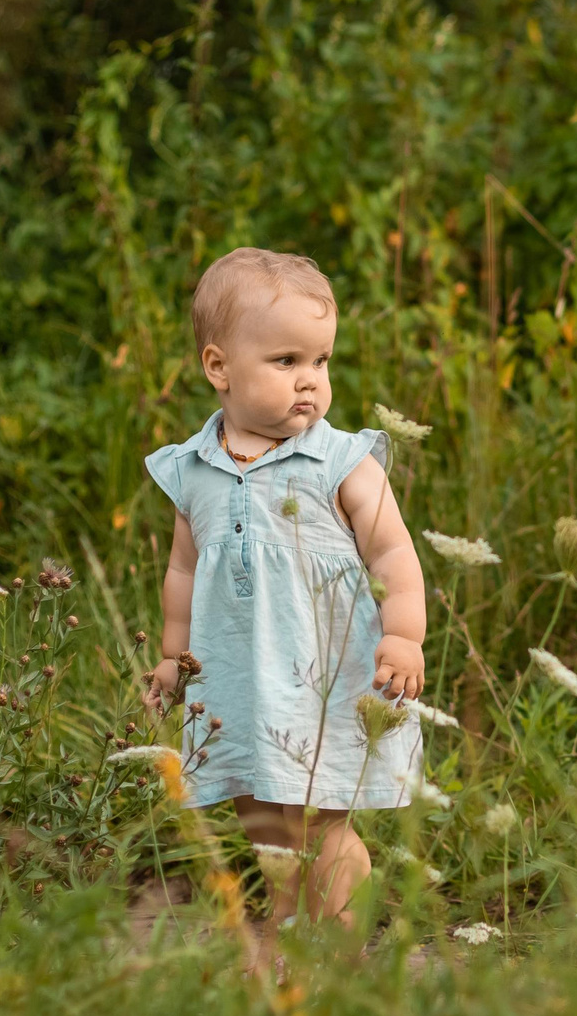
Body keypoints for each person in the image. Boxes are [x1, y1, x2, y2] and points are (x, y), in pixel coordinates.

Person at [140, 247, 427, 932]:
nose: (310, 380)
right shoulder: (193, 471)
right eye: (286, 360)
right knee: (265, 824)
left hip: (324, 682)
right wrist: (174, 657)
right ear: (219, 367)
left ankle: (341, 942)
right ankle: (292, 931)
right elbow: (183, 571)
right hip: (238, 686)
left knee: (321, 823)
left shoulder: (341, 461)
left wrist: (403, 634)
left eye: (321, 361)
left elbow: (393, 551)